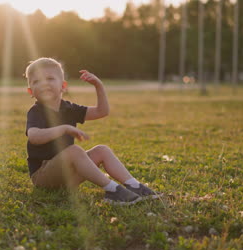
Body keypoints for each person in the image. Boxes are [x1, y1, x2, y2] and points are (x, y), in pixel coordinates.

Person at [25, 58, 160, 205]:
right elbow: (34, 136)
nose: (44, 83)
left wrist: (99, 86)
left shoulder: (69, 109)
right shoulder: (36, 111)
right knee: (74, 151)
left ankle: (135, 186)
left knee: (102, 150)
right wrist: (63, 128)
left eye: (50, 78)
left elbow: (101, 111)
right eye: (36, 81)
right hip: (43, 177)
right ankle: (112, 190)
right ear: (30, 91)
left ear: (63, 86)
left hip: (67, 177)